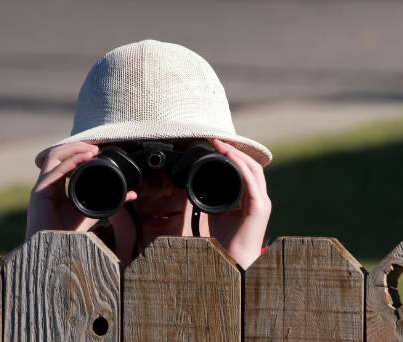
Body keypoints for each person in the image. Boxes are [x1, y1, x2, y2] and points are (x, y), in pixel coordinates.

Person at [25, 40, 272, 269]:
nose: (159, 188)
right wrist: (46, 256)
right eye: (129, 168)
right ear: (85, 174)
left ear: (228, 171)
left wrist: (241, 264)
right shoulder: (68, 267)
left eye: (190, 166)